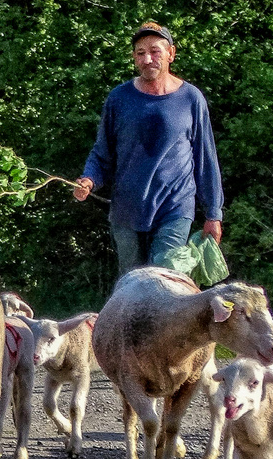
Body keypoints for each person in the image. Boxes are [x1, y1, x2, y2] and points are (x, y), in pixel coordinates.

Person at [73, 21, 223, 275]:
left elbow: (206, 158)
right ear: (134, 58)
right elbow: (102, 153)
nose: (148, 59)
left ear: (171, 54)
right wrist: (88, 179)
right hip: (127, 210)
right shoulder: (119, 99)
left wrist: (213, 213)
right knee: (133, 285)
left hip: (175, 206)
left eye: (155, 51)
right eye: (140, 53)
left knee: (165, 275)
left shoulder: (191, 98)